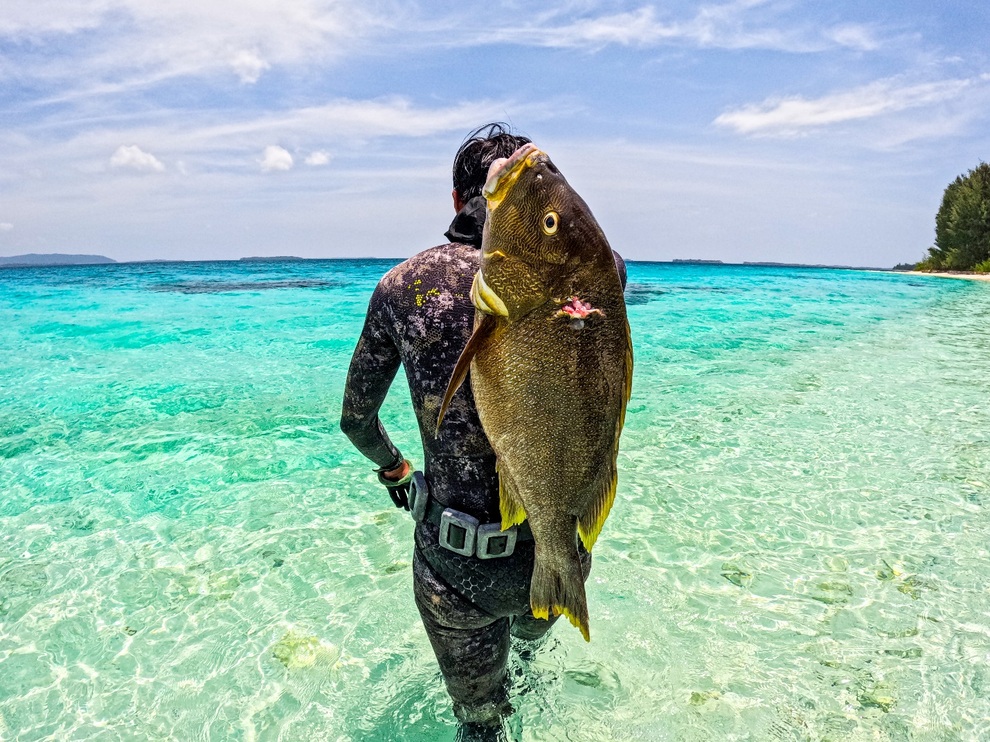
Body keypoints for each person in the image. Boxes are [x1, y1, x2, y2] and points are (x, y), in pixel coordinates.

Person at [340, 123, 625, 740]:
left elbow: (355, 419)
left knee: (481, 725)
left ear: (453, 200)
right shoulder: (584, 279)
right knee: (529, 665)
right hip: (552, 556)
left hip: (454, 570)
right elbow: (604, 267)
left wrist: (396, 470)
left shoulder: (402, 289)